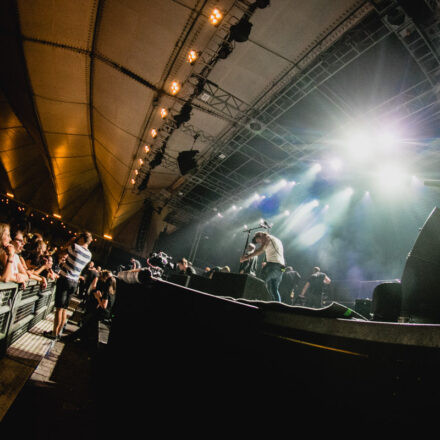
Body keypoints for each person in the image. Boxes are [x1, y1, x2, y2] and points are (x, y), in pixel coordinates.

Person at [44, 231, 93, 340]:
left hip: (65, 279)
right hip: (74, 282)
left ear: (81, 239)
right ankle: (58, 332)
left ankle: (54, 334)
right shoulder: (89, 255)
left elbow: (62, 251)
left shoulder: (75, 247)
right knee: (65, 309)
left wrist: (71, 241)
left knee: (59, 309)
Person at [61, 270, 116, 344]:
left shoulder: (106, 292)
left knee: (86, 325)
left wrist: (98, 298)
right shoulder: (113, 293)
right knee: (87, 325)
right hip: (105, 314)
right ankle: (76, 339)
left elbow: (104, 306)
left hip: (102, 314)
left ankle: (70, 338)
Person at [240, 231, 285, 302]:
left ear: (260, 235)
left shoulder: (266, 237)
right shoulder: (277, 240)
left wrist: (246, 257)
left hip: (273, 265)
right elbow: (275, 253)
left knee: (260, 283)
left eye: (258, 240)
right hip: (282, 268)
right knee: (274, 290)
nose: (260, 243)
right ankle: (278, 306)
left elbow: (260, 250)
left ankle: (256, 301)